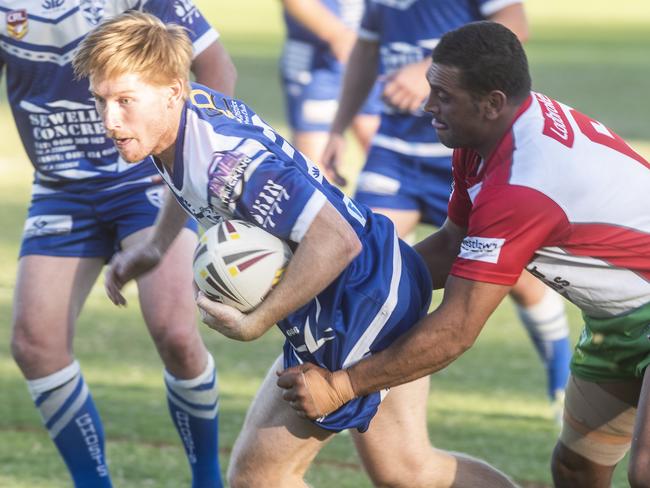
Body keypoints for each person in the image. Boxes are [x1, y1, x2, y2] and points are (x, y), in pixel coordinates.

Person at [74, 11, 518, 488]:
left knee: (258, 478)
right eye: (101, 100)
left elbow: (334, 241)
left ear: (172, 91)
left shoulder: (227, 166)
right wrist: (156, 247)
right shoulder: (181, 117)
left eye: (125, 101)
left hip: (358, 304)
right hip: (376, 276)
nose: (110, 120)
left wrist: (254, 322)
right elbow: (186, 180)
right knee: (409, 472)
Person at [279, 21, 650, 488]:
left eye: (443, 96)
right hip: (615, 324)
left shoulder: (523, 181)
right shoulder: (484, 140)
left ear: (492, 102)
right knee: (576, 470)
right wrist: (349, 275)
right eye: (431, 89)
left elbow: (456, 329)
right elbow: (454, 245)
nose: (427, 104)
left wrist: (342, 387)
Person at [1, 1, 236, 486]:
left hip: (146, 180)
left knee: (175, 332)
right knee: (33, 346)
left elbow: (216, 66)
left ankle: (207, 479)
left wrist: (191, 160)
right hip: (60, 187)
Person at [321, 0, 572, 416]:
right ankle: (376, 395)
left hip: (464, 143)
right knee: (369, 257)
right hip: (395, 150)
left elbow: (515, 24)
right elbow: (366, 51)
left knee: (519, 279)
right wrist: (338, 127)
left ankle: (561, 379)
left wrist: (430, 72)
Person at [279, 0, 381, 164]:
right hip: (317, 61)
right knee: (315, 167)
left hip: (369, 53)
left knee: (381, 151)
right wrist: (340, 36)